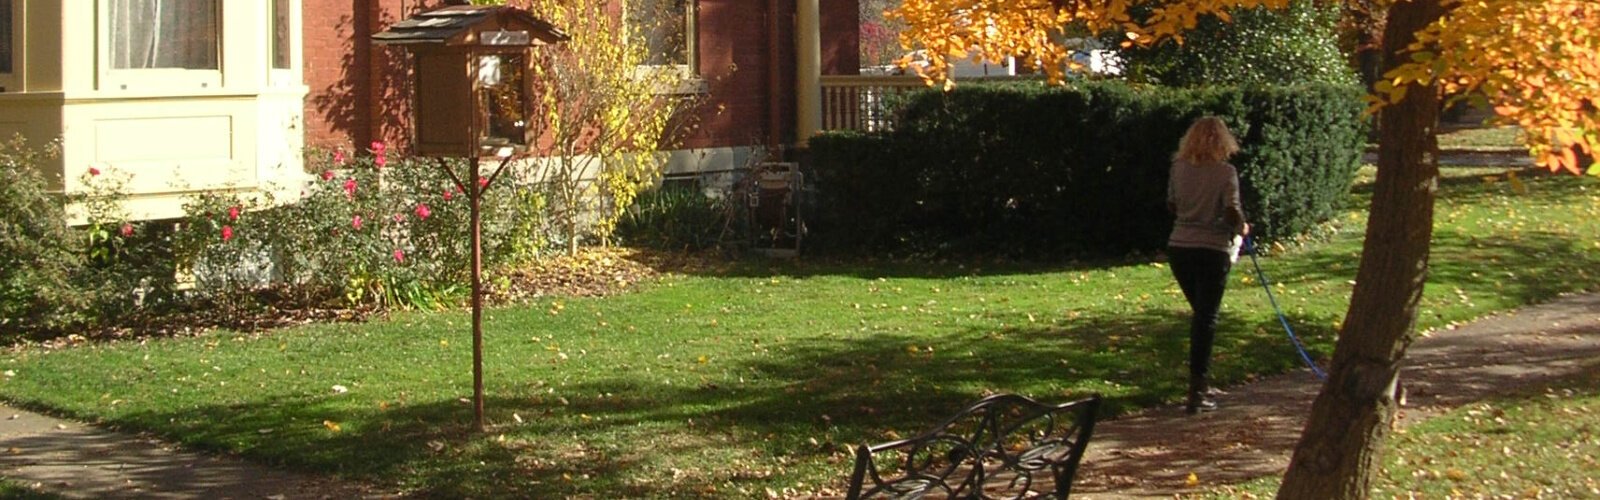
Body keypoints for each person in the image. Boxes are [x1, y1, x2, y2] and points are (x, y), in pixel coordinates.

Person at [1166, 116, 1249, 415]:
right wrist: (1242, 227)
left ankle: (1200, 383)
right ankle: (1197, 390)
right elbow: (1231, 211)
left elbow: (1172, 205)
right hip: (1212, 248)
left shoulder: (1178, 168)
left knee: (1201, 315)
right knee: (1206, 318)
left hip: (1180, 246)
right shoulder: (1226, 172)